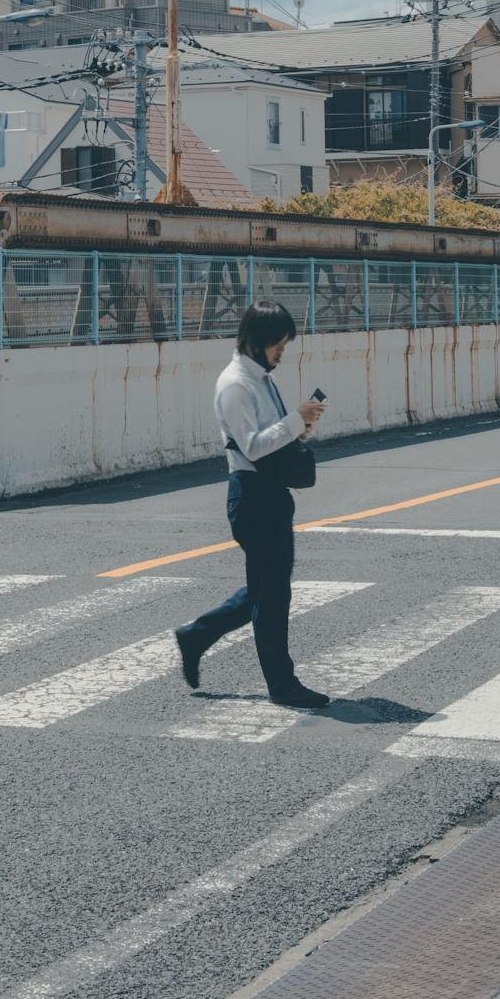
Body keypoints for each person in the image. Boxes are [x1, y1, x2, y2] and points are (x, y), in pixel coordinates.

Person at [174, 301, 330, 709]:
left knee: (266, 591)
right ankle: (282, 684)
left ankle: (196, 635)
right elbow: (254, 447)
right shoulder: (236, 385)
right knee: (272, 596)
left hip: (271, 496)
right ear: (259, 342)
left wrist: (302, 427)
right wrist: (295, 419)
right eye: (278, 344)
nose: (283, 352)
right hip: (252, 496)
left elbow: (272, 440)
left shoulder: (260, 378)